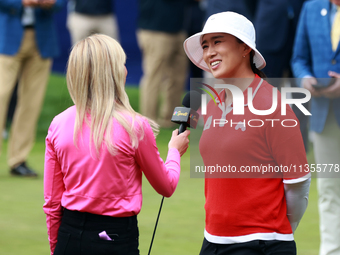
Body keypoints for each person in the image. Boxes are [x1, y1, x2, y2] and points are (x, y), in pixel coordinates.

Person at [43, 34, 190, 255]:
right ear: (111, 73)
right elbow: (166, 186)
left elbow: (52, 204)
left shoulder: (58, 123)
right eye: (121, 64)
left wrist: (57, 247)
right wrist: (174, 152)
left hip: (69, 235)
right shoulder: (135, 126)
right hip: (116, 237)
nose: (126, 70)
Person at [184, 12, 311, 254]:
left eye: (218, 41)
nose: (209, 52)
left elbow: (298, 182)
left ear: (245, 48)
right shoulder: (213, 104)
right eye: (205, 45)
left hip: (261, 244)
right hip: (212, 240)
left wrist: (281, 229)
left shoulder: (273, 105)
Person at [291, 0, 340, 254]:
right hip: (324, 114)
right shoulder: (311, 7)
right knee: (329, 191)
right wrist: (305, 79)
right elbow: (299, 57)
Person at [0, 0, 65, 177]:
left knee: (31, 102)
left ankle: (18, 160)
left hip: (41, 39)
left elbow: (61, 3)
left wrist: (50, 2)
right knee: (1, 96)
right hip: (7, 36)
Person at [137, 0, 188, 128]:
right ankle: (148, 122)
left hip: (178, 28)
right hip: (154, 30)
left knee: (178, 77)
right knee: (154, 77)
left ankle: (170, 120)